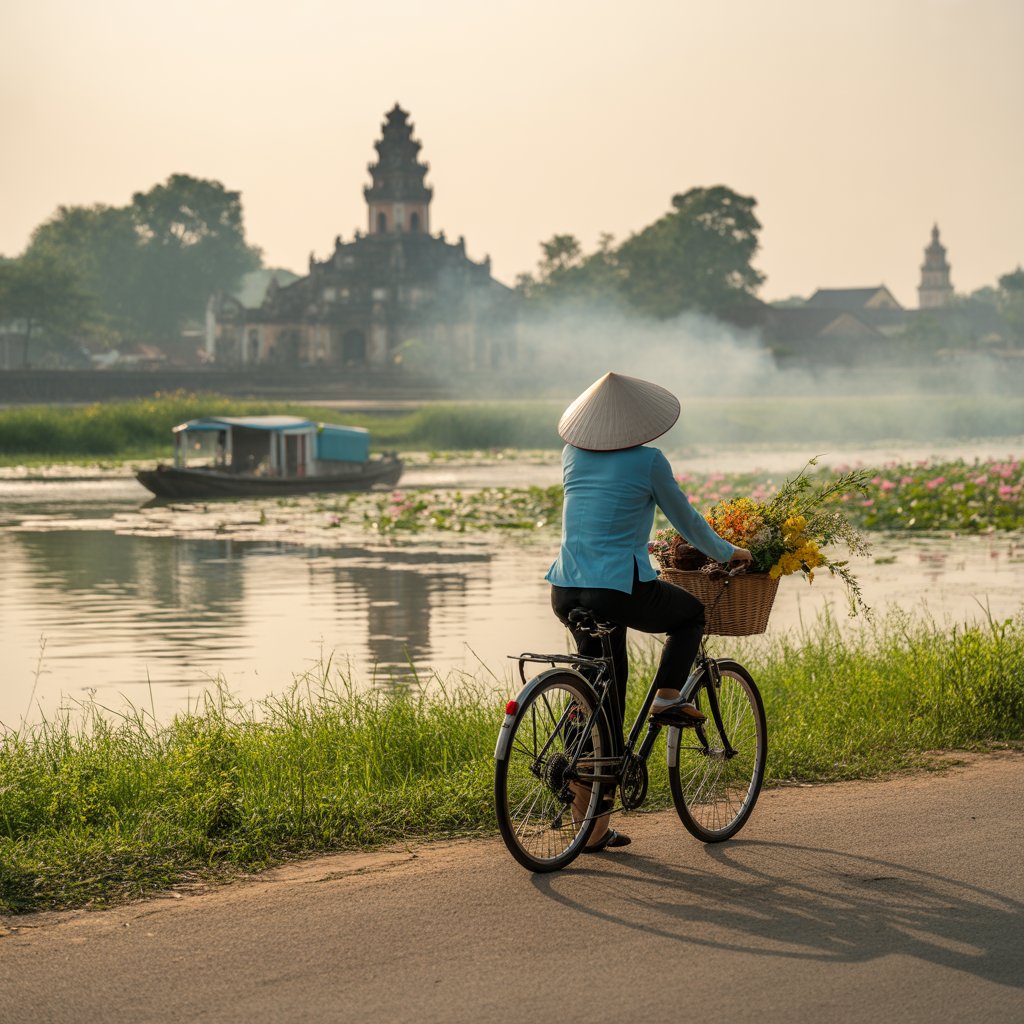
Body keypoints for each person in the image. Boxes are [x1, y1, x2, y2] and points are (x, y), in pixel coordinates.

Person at [546, 371, 752, 852]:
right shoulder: (649, 460)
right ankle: (667, 696)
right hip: (616, 587)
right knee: (689, 615)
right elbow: (687, 520)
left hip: (567, 588)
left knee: (602, 701)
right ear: (637, 424)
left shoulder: (571, 454)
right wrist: (727, 552)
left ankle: (591, 829)